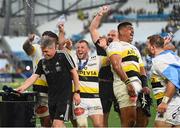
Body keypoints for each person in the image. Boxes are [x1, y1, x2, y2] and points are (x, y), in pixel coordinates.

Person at [17, 37, 81, 127]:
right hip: (51, 98)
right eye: (43, 51)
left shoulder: (63, 55)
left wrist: (77, 92)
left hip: (64, 98)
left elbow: (74, 73)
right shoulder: (42, 62)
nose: (44, 54)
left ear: (53, 48)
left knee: (57, 124)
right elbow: (34, 77)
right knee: (55, 125)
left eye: (46, 51)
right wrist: (23, 87)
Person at [106, 21, 151, 127]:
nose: (132, 30)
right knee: (129, 121)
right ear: (121, 31)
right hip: (123, 84)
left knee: (143, 122)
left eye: (133, 29)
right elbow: (116, 65)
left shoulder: (135, 48)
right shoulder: (115, 45)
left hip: (139, 86)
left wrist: (145, 85)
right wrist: (128, 83)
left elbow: (141, 69)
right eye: (129, 28)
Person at [89, 5, 120, 127]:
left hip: (119, 84)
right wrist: (100, 13)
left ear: (119, 38)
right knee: (103, 117)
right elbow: (93, 29)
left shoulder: (122, 48)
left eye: (113, 35)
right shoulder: (102, 44)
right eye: (109, 35)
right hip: (103, 85)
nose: (110, 37)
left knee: (125, 116)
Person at [22, 31, 58, 127]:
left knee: (57, 121)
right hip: (40, 90)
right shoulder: (37, 48)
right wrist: (29, 40)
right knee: (46, 121)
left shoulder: (58, 52)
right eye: (43, 38)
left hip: (56, 90)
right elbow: (26, 47)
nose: (44, 41)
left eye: (46, 39)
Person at [72, 40, 108, 127]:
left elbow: (112, 58)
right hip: (79, 99)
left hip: (94, 99)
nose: (79, 49)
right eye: (78, 47)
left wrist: (105, 47)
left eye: (82, 47)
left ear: (88, 49)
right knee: (82, 125)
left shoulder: (97, 59)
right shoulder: (72, 60)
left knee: (99, 125)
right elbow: (62, 48)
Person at [146, 34, 180, 127]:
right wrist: (162, 44)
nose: (146, 48)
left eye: (147, 46)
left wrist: (164, 102)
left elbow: (173, 80)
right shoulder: (170, 55)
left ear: (153, 47)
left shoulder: (159, 61)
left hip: (170, 103)